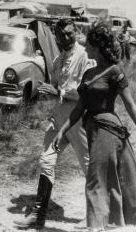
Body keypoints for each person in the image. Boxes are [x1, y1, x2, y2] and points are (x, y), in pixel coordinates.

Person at [52, 22, 136, 232]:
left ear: (98, 46)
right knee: (124, 178)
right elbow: (79, 108)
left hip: (109, 131)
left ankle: (102, 226)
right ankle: (110, 224)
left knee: (110, 179)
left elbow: (130, 104)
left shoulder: (114, 71)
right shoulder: (88, 73)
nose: (85, 46)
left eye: (89, 43)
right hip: (95, 131)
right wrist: (63, 130)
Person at [14, 19, 96, 229]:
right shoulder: (58, 60)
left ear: (75, 32)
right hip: (58, 117)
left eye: (69, 33)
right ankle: (38, 216)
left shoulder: (85, 56)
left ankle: (94, 214)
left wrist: (58, 92)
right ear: (56, 36)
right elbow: (57, 86)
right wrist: (49, 90)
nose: (66, 38)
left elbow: (86, 93)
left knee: (88, 166)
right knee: (46, 160)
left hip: (77, 119)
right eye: (61, 35)